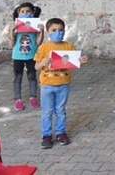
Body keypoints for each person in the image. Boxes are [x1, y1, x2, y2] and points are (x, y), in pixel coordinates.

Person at [34, 18, 88, 149]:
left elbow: (74, 62)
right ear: (48, 32)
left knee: (61, 110)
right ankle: (46, 135)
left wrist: (81, 61)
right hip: (47, 85)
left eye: (61, 30)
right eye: (54, 30)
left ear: (64, 31)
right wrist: (42, 63)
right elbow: (36, 66)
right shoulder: (43, 47)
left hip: (63, 84)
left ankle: (60, 133)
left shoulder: (68, 46)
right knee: (47, 111)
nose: (58, 33)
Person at [8, 2, 44, 111]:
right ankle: (18, 99)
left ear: (32, 12)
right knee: (18, 78)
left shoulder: (34, 26)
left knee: (32, 77)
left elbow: (38, 43)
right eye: (22, 11)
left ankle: (33, 97)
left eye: (28, 11)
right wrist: (11, 31)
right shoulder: (16, 26)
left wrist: (41, 31)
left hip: (32, 56)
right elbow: (11, 44)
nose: (25, 13)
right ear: (18, 12)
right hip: (18, 56)